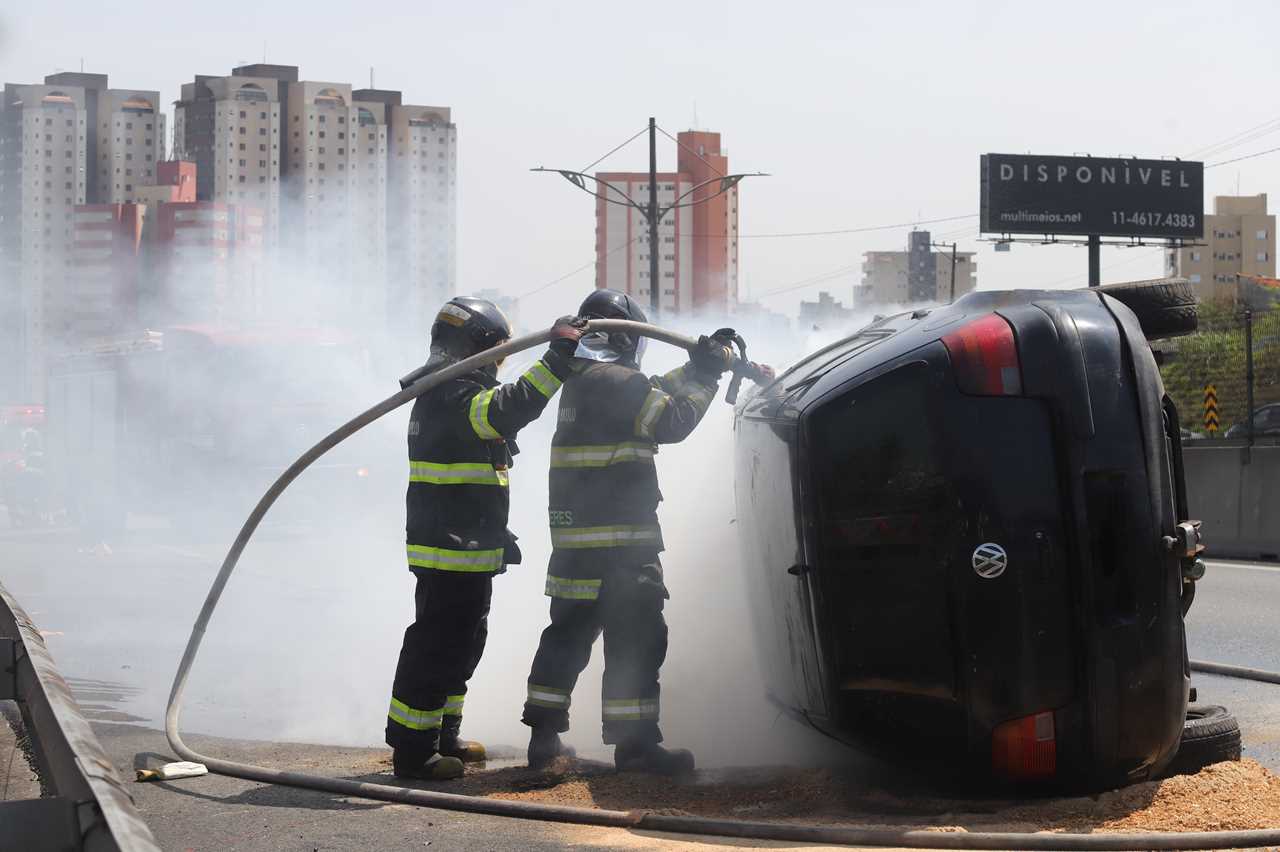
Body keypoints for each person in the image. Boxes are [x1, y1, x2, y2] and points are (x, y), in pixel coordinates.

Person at [521, 288, 736, 775]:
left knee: (566, 638)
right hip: (622, 548)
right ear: (625, 338)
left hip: (576, 547)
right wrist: (704, 376)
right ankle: (635, 748)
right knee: (635, 641)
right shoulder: (618, 381)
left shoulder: (586, 380)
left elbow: (653, 386)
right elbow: (673, 420)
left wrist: (699, 363)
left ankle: (543, 738)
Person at [387, 296, 584, 781]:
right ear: (476, 347)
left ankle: (443, 734)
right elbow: (510, 408)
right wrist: (556, 359)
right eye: (498, 352)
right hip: (450, 548)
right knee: (437, 647)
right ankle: (414, 752)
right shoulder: (451, 393)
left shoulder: (447, 390)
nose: (499, 363)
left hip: (466, 544)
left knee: (464, 642)